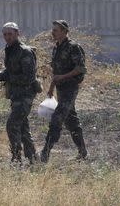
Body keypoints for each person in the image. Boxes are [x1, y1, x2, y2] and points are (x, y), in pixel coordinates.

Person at [40, 20, 88, 163]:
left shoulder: (73, 47)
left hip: (70, 87)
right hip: (61, 88)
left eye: (55, 30)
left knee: (57, 118)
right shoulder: (57, 48)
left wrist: (64, 76)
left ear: (64, 31)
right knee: (71, 120)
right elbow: (56, 72)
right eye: (53, 30)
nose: (52, 32)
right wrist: (51, 88)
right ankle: (83, 151)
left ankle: (45, 153)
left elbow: (80, 68)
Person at [0, 22, 40, 165]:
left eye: (10, 34)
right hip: (16, 95)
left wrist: (8, 77)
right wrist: (1, 74)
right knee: (23, 128)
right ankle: (33, 158)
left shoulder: (24, 51)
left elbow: (29, 77)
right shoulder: (10, 50)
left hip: (25, 95)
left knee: (12, 124)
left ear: (17, 33)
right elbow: (11, 69)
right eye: (5, 34)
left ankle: (16, 158)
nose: (7, 37)